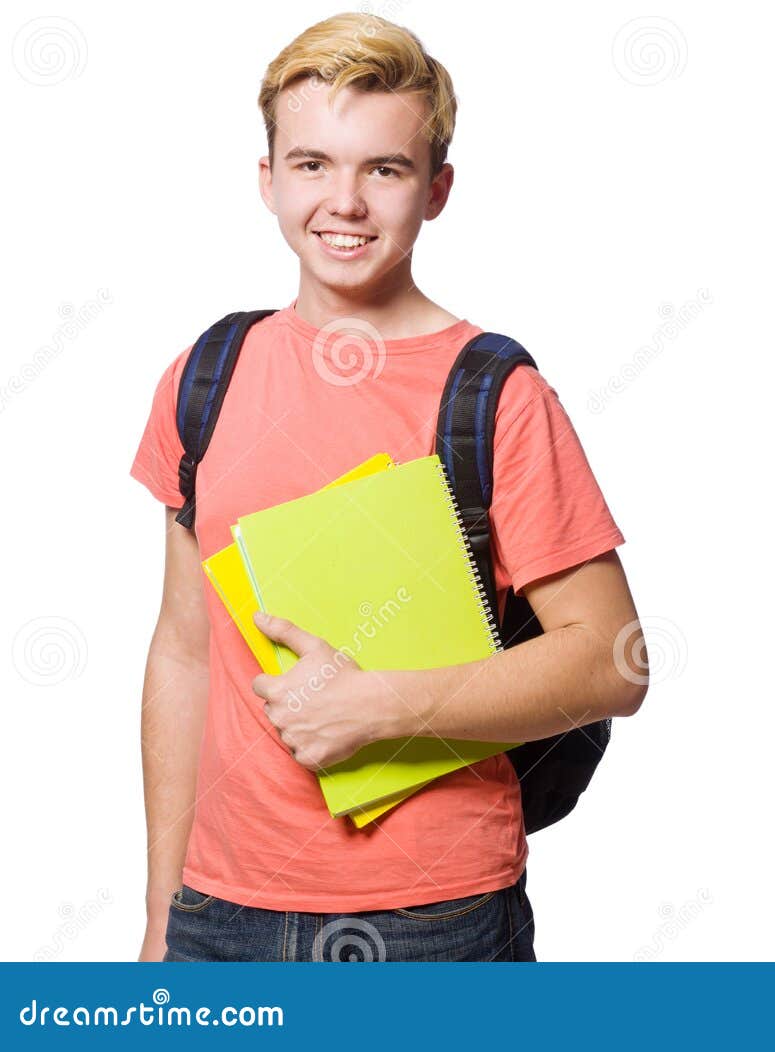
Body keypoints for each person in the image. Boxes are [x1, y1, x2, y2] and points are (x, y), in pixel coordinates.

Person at [130, 13, 647, 962]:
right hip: (216, 913)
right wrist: (164, 916)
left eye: (385, 169)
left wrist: (384, 707)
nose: (346, 203)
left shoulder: (495, 396)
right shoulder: (204, 375)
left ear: (437, 189)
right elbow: (185, 653)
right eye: (313, 164)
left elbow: (613, 663)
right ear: (268, 179)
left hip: (433, 919)